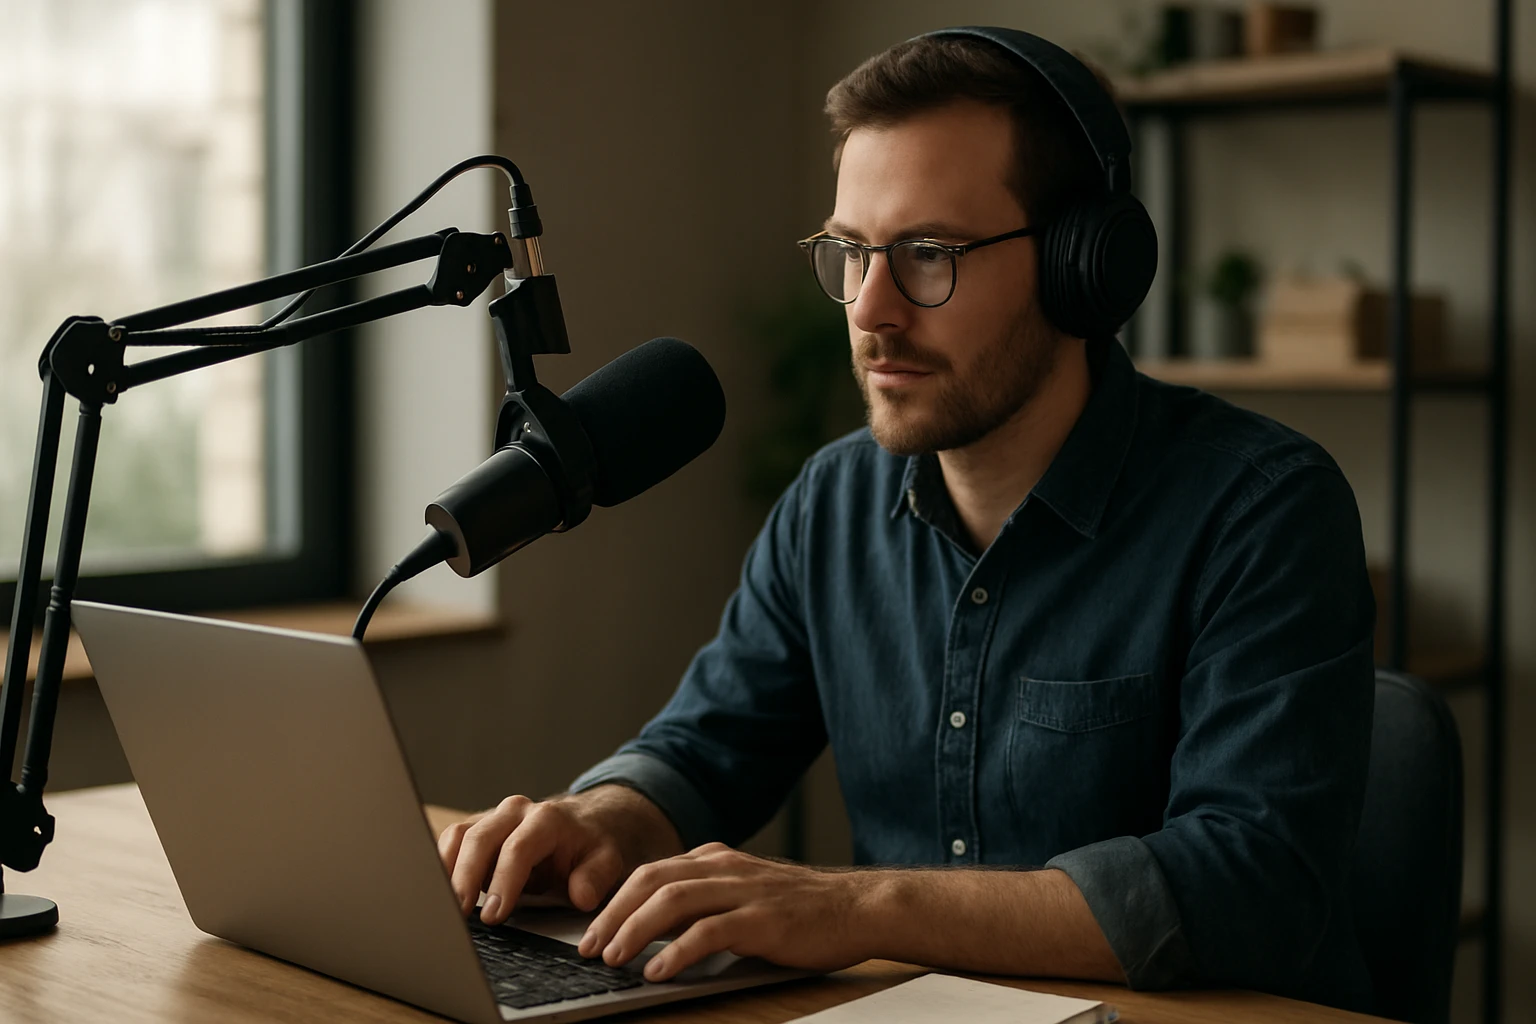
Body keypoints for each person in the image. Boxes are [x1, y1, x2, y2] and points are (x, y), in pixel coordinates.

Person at [438, 28, 1376, 1013]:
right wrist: (606, 817)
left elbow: (1249, 884)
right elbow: (707, 749)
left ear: (1082, 267)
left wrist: (860, 906)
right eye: (850, 251)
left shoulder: (1263, 508)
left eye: (929, 253)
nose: (872, 308)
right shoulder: (832, 504)